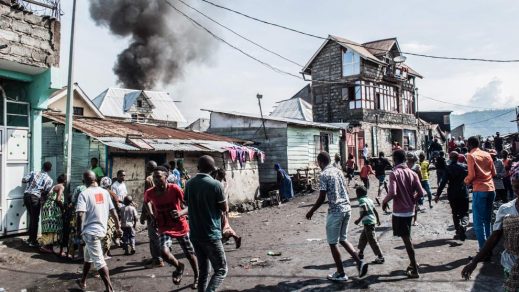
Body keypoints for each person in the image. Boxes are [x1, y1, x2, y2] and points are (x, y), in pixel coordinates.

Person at [306, 152, 368, 282]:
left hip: (336, 211)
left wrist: (311, 211)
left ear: (321, 162)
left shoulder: (324, 174)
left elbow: (322, 197)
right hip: (347, 208)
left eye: (318, 162)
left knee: (333, 242)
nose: (318, 165)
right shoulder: (338, 171)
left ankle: (341, 273)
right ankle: (359, 262)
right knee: (343, 239)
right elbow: (345, 189)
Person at [461, 164, 519, 291]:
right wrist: (474, 262)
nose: (518, 191)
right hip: (511, 265)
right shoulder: (506, 209)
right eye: (516, 188)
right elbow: (494, 237)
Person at [145, 166, 199, 289]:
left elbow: (189, 205)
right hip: (163, 226)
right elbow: (146, 201)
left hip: (180, 225)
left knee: (190, 254)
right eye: (154, 177)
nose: (156, 179)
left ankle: (197, 276)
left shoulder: (174, 189)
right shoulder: (150, 192)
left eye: (158, 176)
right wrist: (152, 216)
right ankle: (179, 266)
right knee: (163, 252)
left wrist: (181, 213)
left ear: (166, 176)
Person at [185, 156, 228, 291]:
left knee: (204, 271)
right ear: (213, 169)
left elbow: (187, 203)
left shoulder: (189, 184)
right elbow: (224, 208)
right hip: (211, 234)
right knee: (221, 270)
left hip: (195, 234)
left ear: (198, 167)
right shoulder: (216, 185)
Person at [76, 171, 122, 292]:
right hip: (101, 231)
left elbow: (80, 215)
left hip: (90, 233)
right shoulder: (105, 192)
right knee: (88, 258)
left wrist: (78, 233)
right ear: (95, 179)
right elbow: (114, 212)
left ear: (85, 180)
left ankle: (109, 289)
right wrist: (118, 227)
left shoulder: (84, 194)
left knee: (99, 262)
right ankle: (83, 281)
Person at [382, 149, 425, 278]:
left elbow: (393, 192)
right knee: (407, 238)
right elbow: (421, 193)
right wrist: (413, 200)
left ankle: (415, 268)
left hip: (400, 212)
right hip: (410, 211)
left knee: (407, 240)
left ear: (395, 159)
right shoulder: (412, 173)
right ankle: (413, 265)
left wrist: (384, 202)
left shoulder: (394, 173)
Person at [464, 136, 496, 250]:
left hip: (479, 190)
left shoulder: (470, 155)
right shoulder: (487, 154)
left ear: (470, 145)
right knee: (488, 220)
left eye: (467, 144)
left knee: (478, 222)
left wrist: (466, 181)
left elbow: (471, 176)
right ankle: (489, 248)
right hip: (491, 189)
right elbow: (494, 172)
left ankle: (483, 250)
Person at [435, 151, 469, 241]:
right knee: (464, 212)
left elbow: (443, 182)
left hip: (452, 193)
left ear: (450, 158)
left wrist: (438, 194)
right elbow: (470, 178)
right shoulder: (465, 167)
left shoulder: (448, 168)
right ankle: (464, 225)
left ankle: (458, 231)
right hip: (463, 192)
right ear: (458, 158)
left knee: (455, 213)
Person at [22, 161, 53, 247]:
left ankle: (30, 239)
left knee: (32, 217)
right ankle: (33, 241)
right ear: (50, 169)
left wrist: (32, 183)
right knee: (35, 219)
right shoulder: (49, 179)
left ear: (42, 166)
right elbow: (46, 192)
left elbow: (23, 180)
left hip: (26, 195)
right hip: (35, 198)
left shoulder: (33, 172)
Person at [142, 160, 164, 269]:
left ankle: (158, 259)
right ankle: (155, 257)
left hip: (151, 212)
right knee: (156, 235)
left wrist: (143, 214)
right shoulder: (159, 179)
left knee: (153, 236)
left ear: (148, 168)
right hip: (158, 210)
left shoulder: (148, 179)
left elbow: (146, 200)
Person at [353, 185, 384, 264]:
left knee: (372, 240)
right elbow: (375, 211)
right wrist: (378, 220)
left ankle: (380, 256)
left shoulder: (361, 200)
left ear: (358, 193)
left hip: (368, 222)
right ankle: (360, 253)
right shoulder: (369, 200)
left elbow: (365, 211)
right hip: (371, 222)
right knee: (363, 237)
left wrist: (358, 220)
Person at [212, 168, 242, 249]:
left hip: (220, 208)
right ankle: (233, 237)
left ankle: (229, 238)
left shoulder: (217, 184)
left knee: (222, 226)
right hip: (225, 207)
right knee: (225, 225)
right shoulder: (224, 183)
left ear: (217, 175)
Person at [39, 174, 66, 255]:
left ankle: (47, 247)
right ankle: (46, 247)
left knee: (49, 227)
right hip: (52, 208)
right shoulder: (61, 186)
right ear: (64, 181)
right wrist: (63, 208)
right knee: (52, 226)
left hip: (47, 207)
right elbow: (58, 199)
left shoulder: (55, 186)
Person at [100, 177, 119, 259]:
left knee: (102, 235)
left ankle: (104, 252)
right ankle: (105, 254)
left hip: (101, 216)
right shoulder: (111, 193)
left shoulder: (99, 192)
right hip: (110, 217)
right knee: (108, 235)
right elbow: (116, 205)